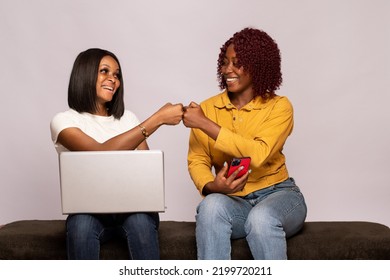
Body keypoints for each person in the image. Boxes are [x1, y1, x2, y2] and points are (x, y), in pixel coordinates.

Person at [182, 27, 307, 260]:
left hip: (278, 195)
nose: (228, 69)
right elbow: (198, 160)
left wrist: (205, 124)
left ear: (257, 66)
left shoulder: (279, 107)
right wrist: (212, 187)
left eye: (237, 63)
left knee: (261, 219)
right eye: (225, 62)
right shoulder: (208, 108)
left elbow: (259, 153)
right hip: (234, 202)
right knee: (210, 208)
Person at [50, 48, 184, 260]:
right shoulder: (64, 121)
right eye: (104, 71)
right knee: (81, 225)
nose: (113, 79)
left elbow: (145, 173)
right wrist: (156, 119)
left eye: (116, 74)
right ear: (84, 74)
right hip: (88, 212)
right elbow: (99, 153)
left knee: (140, 222)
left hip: (134, 210)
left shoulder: (128, 119)